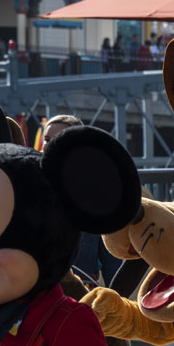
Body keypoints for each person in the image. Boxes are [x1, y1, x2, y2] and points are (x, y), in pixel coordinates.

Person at [42, 114, 122, 285]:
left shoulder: (97, 196)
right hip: (41, 293)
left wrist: (119, 303)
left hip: (82, 294)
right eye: (47, 139)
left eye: (57, 139)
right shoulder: (30, 187)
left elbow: (113, 262)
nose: (49, 145)